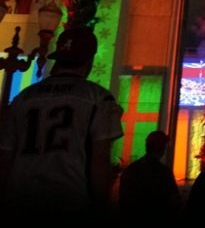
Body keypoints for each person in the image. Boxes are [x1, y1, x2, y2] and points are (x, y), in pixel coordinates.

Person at [0, 27, 124, 222]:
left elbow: (5, 157)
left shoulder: (23, 99)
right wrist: (103, 209)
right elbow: (99, 161)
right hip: (69, 201)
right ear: (89, 60)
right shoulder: (98, 98)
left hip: (20, 202)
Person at [118, 130, 181, 223]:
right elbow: (174, 201)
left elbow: (123, 201)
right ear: (163, 149)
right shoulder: (164, 172)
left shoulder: (131, 169)